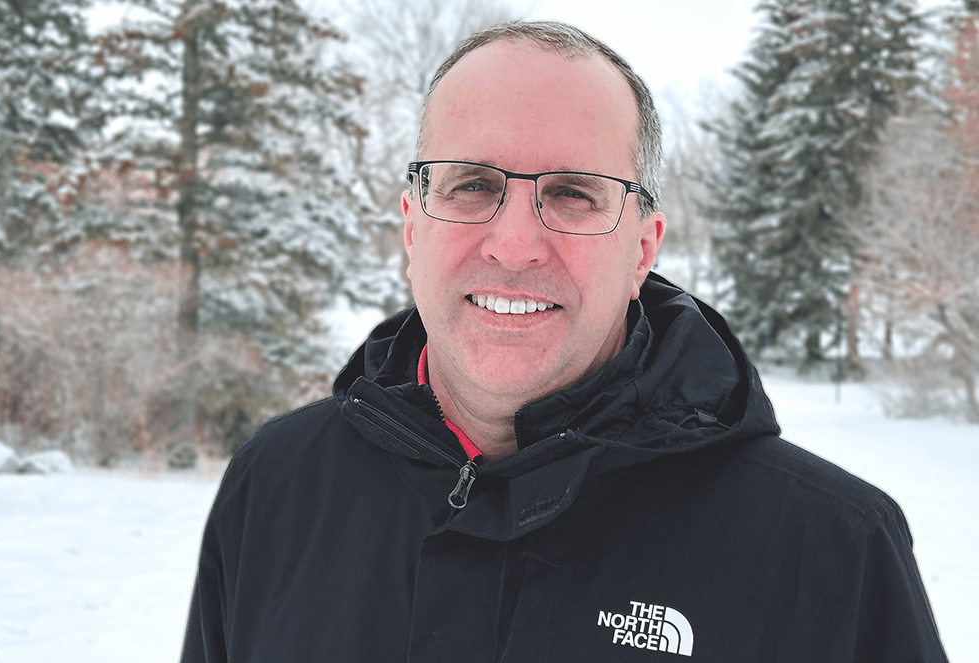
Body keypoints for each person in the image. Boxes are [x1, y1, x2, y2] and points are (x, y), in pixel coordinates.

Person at [180, 21, 948, 662]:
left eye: (573, 194)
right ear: (412, 226)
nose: (514, 246)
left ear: (643, 248)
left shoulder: (831, 552)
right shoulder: (273, 487)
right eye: (472, 184)